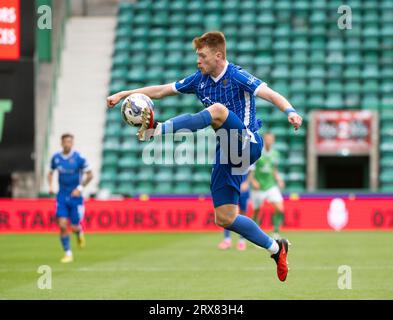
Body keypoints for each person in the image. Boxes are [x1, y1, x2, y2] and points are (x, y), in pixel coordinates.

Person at [107, 31, 302, 281]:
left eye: (202, 56)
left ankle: (160, 129)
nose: (198, 61)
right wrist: (124, 94)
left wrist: (291, 111)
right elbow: (162, 91)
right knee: (224, 218)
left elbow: (272, 94)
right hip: (226, 151)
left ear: (218, 56)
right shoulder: (199, 80)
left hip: (247, 142)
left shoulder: (237, 75)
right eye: (197, 56)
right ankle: (277, 249)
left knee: (218, 110)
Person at [48, 133, 93, 263]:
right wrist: (51, 186)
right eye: (65, 142)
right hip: (61, 196)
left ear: (72, 143)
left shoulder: (79, 158)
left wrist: (80, 189)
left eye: (69, 142)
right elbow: (50, 173)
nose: (67, 144)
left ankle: (79, 233)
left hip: (75, 198)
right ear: (61, 143)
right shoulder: (56, 158)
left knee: (74, 227)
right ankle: (68, 253)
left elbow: (90, 175)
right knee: (62, 225)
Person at [247, 132, 286, 240]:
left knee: (280, 208)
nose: (269, 141)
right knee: (256, 211)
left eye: (271, 139)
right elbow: (251, 169)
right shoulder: (258, 152)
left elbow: (274, 170)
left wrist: (279, 179)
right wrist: (253, 181)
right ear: (264, 140)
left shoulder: (275, 154)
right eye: (267, 139)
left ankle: (276, 232)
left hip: (271, 185)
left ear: (273, 140)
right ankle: (255, 236)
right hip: (259, 187)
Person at [218, 178, 250, 251]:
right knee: (227, 212)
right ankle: (227, 240)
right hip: (230, 185)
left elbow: (251, 170)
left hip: (243, 187)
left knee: (243, 213)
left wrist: (247, 183)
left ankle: (241, 241)